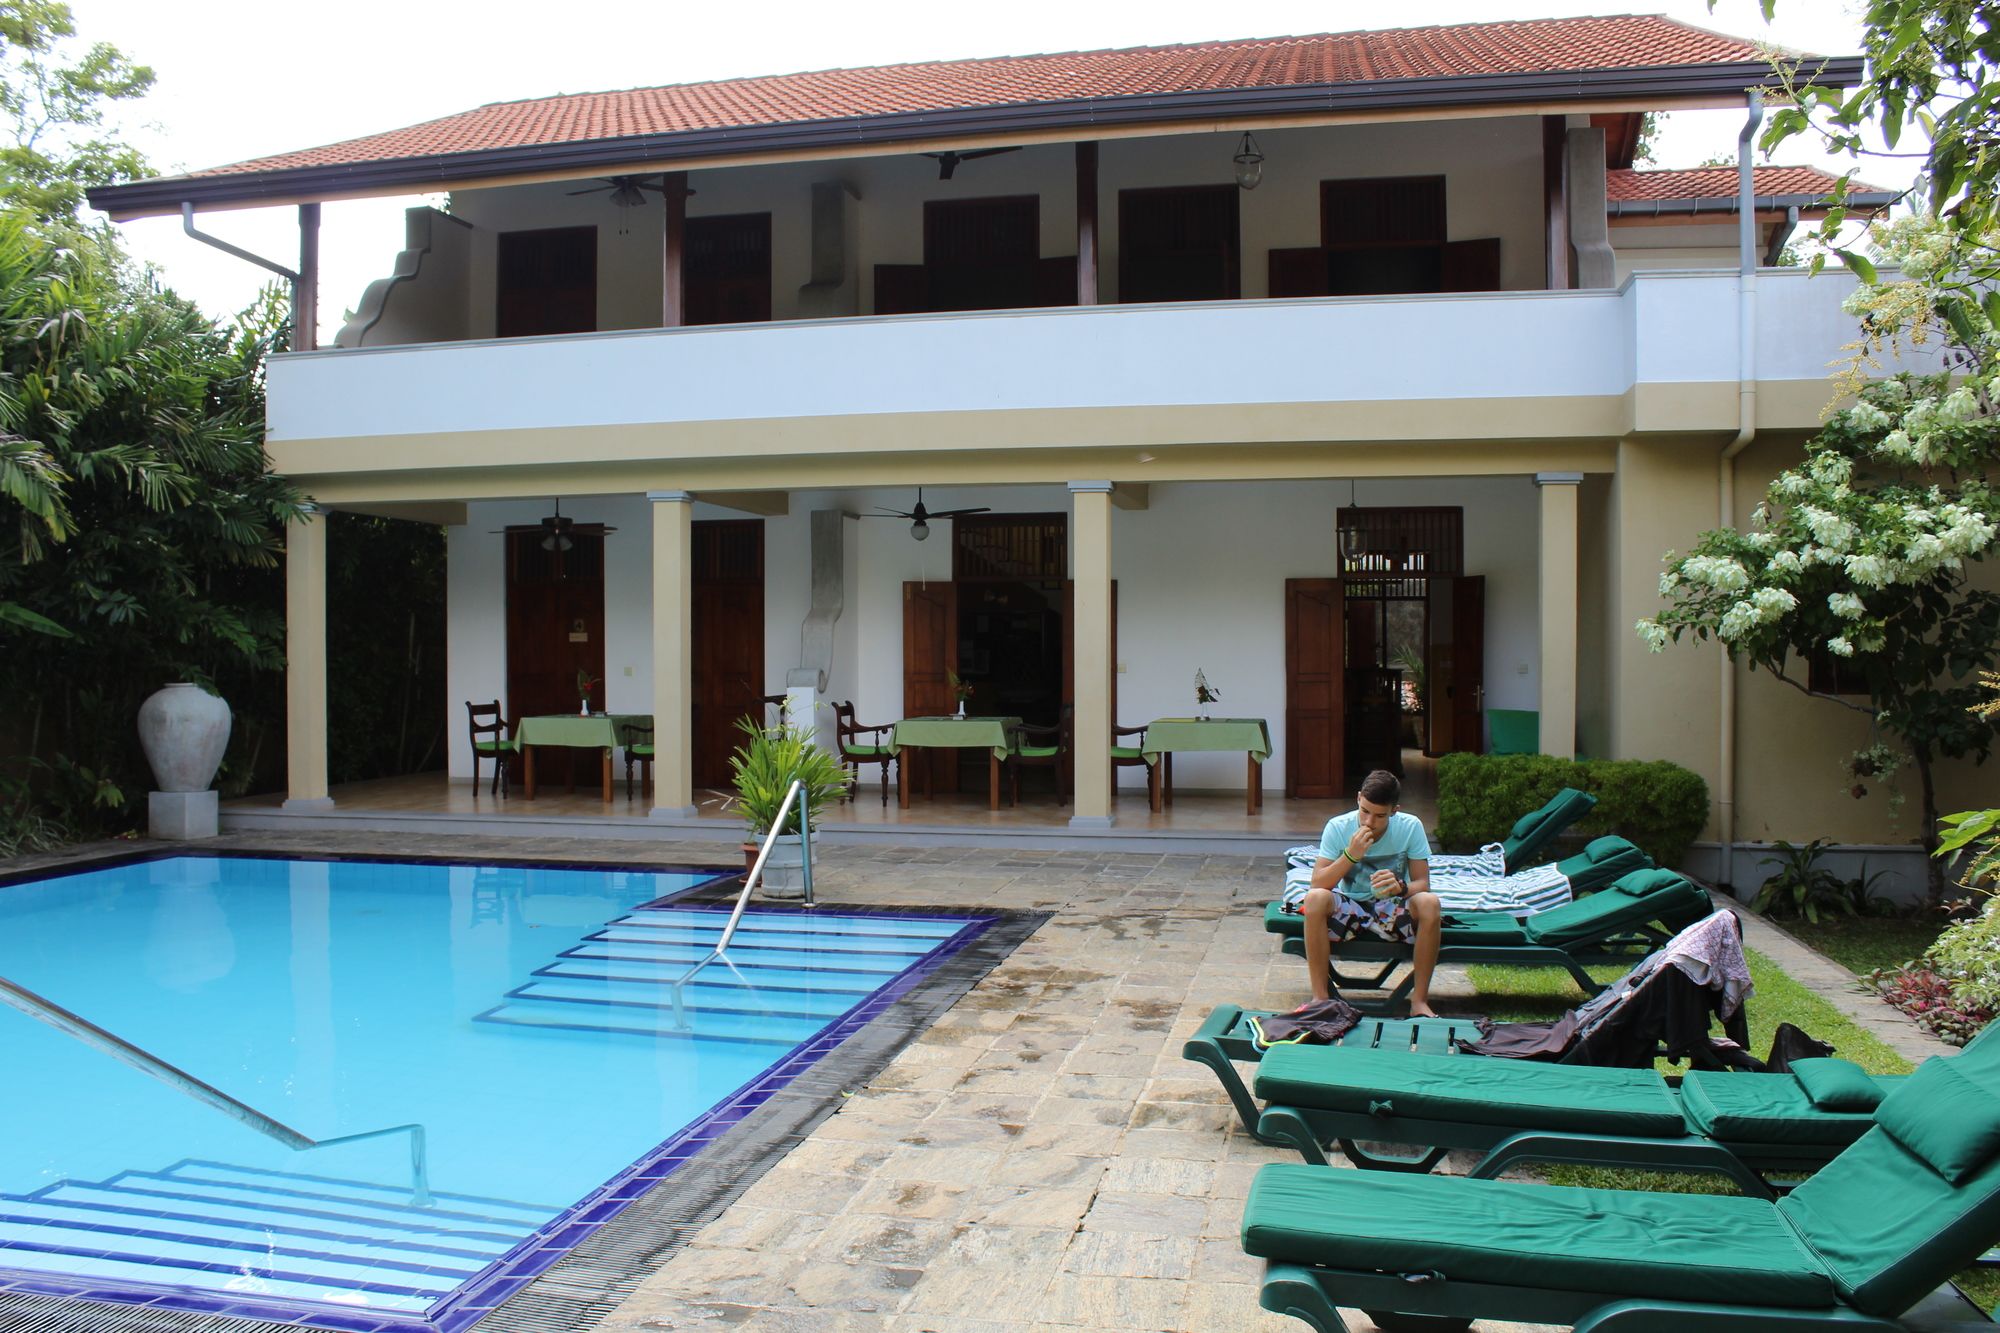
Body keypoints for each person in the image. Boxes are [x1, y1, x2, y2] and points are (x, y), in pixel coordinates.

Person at [1281, 768, 1442, 1017]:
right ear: (1358, 798)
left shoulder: (1410, 827)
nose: (1369, 822)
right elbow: (1318, 882)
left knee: (1430, 903)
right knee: (1314, 898)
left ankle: (1419, 1002)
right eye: (1364, 811)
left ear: (1394, 811)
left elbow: (1423, 883)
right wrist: (1350, 855)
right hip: (1351, 908)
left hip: (1392, 908)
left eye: (1380, 816)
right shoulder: (1338, 827)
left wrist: (1402, 887)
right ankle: (1320, 998)